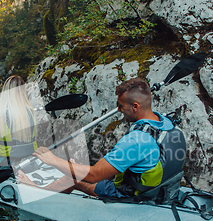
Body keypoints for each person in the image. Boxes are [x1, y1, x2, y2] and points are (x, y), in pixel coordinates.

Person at [21, 77, 186, 202]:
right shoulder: (167, 124)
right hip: (160, 190)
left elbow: (93, 176)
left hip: (133, 194)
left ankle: (36, 192)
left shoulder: (137, 140)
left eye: (121, 105)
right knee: (78, 169)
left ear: (136, 106)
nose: (118, 109)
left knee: (72, 178)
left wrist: (53, 160)